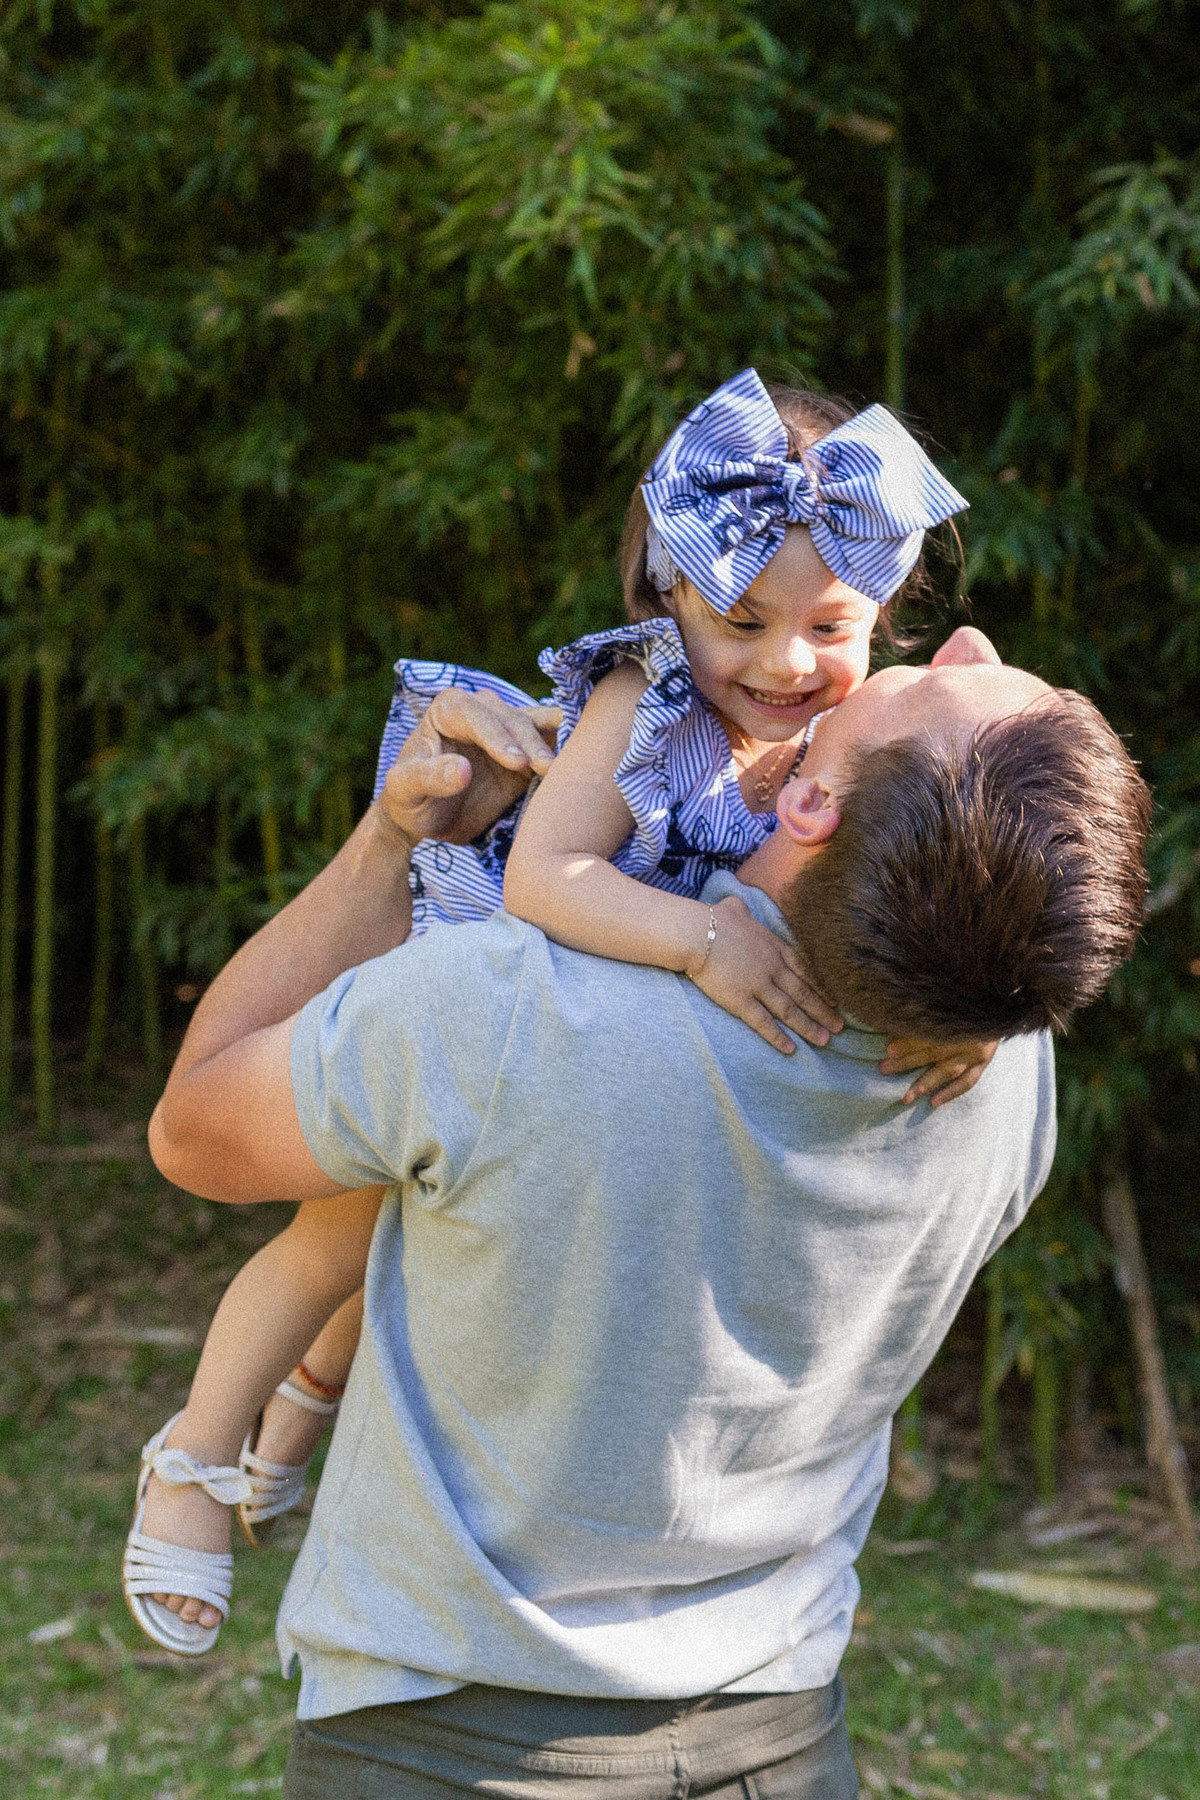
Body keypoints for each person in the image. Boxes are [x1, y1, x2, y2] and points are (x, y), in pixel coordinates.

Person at [141, 631, 1149, 1799]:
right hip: (782, 1735)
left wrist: (392, 839)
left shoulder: (520, 1016)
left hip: (450, 1748)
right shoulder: (994, 1061)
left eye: (931, 681)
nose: (958, 634)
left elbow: (194, 1131)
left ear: (813, 800)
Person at [124, 370, 990, 1655]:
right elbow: (548, 877)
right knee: (338, 1230)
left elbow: (960, 874)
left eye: (831, 626)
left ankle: (309, 1395)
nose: (785, 663)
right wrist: (702, 940)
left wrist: (962, 1011)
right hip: (513, 944)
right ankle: (193, 1457)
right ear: (666, 593)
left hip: (610, 1043)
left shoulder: (866, 732)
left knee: (420, 1238)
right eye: (740, 620)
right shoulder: (644, 697)